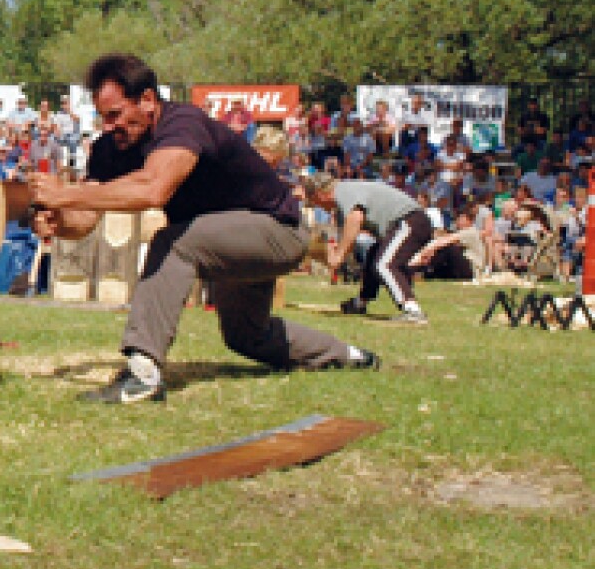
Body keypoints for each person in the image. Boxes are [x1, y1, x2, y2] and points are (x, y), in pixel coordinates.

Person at [28, 54, 376, 405]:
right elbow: (86, 219)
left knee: (172, 242)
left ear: (148, 100)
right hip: (226, 240)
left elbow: (154, 189)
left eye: (116, 115)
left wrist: (67, 193)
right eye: (103, 117)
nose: (109, 126)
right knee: (247, 336)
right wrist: (60, 219)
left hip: (278, 230)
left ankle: (142, 374)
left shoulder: (183, 125)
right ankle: (348, 355)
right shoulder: (110, 149)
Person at [305, 173, 431, 324]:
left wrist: (338, 256)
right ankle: (360, 303)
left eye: (314, 201)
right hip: (404, 222)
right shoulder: (344, 198)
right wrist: (338, 254)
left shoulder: (343, 191)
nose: (318, 206)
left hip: (410, 220)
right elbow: (348, 238)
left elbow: (355, 219)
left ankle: (413, 311)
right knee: (374, 256)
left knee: (385, 264)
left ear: (320, 194)